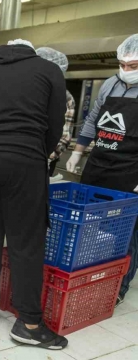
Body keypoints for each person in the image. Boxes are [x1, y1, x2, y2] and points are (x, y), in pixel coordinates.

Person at [0, 38, 68, 349]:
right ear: (30, 51)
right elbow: (55, 123)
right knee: (25, 239)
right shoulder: (48, 70)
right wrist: (38, 153)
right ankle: (30, 322)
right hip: (24, 157)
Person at [66, 34, 138, 306]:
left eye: (134, 66)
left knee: (127, 230)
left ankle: (119, 285)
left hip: (130, 169)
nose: (126, 71)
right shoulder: (110, 84)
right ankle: (91, 273)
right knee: (92, 224)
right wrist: (78, 151)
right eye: (123, 64)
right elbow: (93, 120)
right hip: (99, 164)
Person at [36, 47, 76, 176]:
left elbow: (64, 135)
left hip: (43, 158)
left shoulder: (65, 97)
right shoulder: (23, 89)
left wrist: (48, 156)